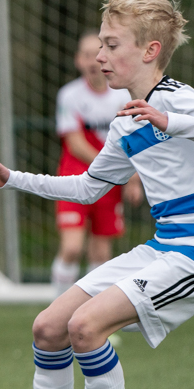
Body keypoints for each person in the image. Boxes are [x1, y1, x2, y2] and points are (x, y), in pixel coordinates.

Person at [0, 0, 194, 389]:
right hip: (163, 246)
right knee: (49, 327)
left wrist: (170, 121)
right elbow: (88, 187)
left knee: (85, 328)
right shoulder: (126, 120)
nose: (99, 55)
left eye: (112, 45)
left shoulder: (177, 100)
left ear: (150, 51)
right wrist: (10, 178)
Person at [51, 33, 142, 295]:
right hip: (74, 179)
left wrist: (133, 179)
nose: (93, 60)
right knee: (72, 248)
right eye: (86, 54)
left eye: (98, 52)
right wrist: (113, 167)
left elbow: (131, 141)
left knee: (101, 254)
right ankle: (58, 311)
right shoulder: (70, 95)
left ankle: (91, 318)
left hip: (109, 183)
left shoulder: (123, 96)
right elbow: (76, 143)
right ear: (78, 60)